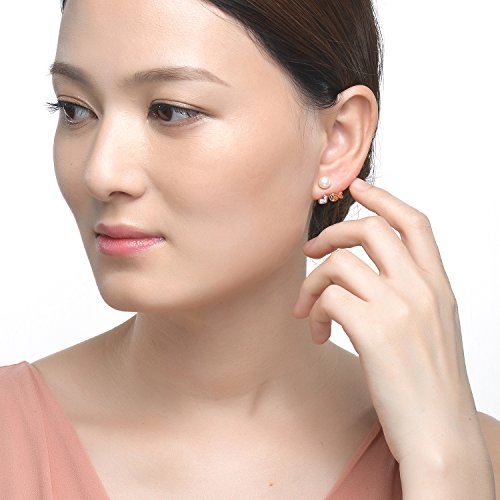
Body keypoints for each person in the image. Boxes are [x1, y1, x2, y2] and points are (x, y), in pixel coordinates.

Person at [0, 0, 498, 498]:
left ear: (337, 140)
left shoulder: (471, 460)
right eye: (74, 109)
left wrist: (447, 467)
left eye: (171, 111)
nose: (101, 172)